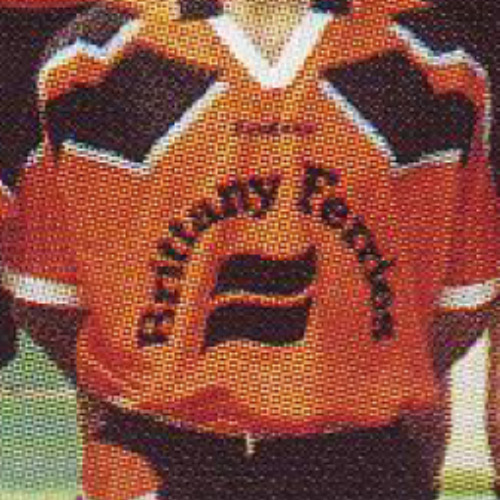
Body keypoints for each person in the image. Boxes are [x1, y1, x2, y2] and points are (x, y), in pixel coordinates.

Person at [1, 0, 498, 498]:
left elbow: (461, 302)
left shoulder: (438, 66)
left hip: (361, 462)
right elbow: (47, 299)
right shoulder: (90, 61)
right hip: (158, 459)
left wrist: (350, 391)